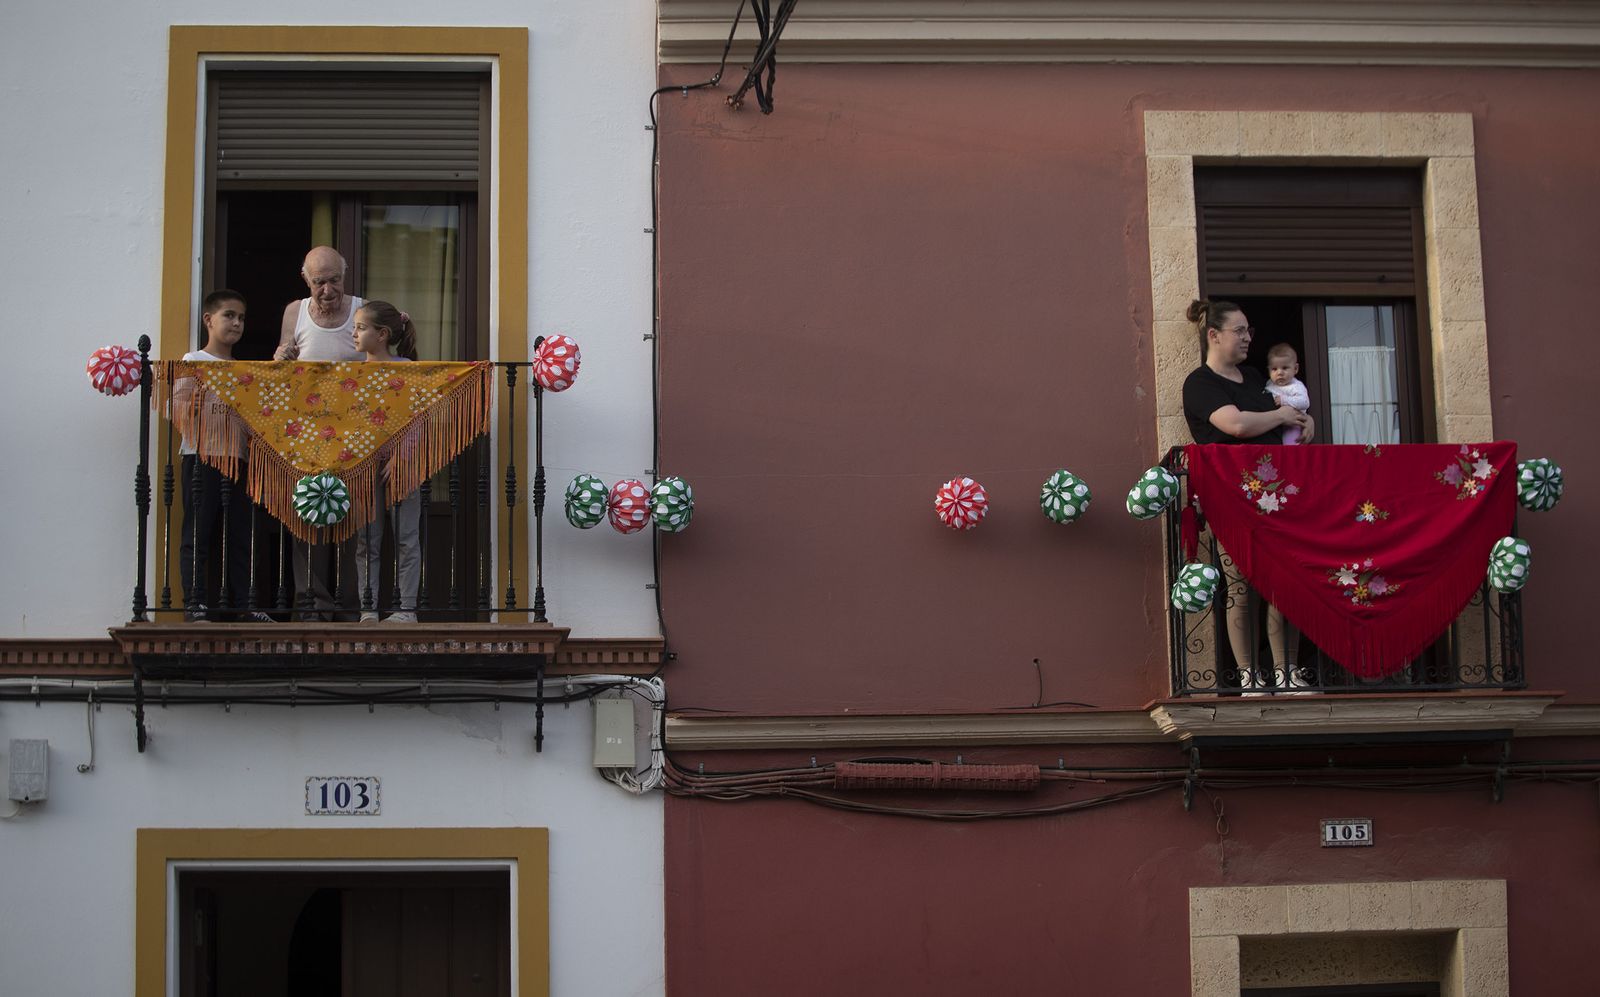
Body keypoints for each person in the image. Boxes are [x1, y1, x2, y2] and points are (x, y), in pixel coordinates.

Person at [1180, 299, 1313, 693]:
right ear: (1214, 335)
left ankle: (1287, 673)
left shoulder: (1256, 377)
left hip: (1280, 498)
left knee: (1284, 586)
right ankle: (1249, 677)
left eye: (1249, 330)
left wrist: (1306, 420)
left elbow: (1287, 407)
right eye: (1240, 330)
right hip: (1233, 498)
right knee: (1241, 586)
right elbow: (1234, 424)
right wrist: (1280, 418)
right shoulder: (1200, 383)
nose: (1248, 337)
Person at [278, 247, 363, 618]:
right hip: (307, 435)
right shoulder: (295, 312)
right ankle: (312, 604)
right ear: (305, 279)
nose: (328, 290)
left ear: (345, 276)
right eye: (319, 282)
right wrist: (281, 355)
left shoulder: (362, 309)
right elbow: (285, 355)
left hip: (355, 435)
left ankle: (349, 604)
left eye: (335, 280)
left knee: (352, 518)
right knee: (306, 516)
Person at [176, 290, 272, 622]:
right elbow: (178, 410)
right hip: (202, 457)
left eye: (241, 318)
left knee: (241, 534)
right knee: (198, 532)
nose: (236, 323)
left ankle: (243, 604)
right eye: (229, 315)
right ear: (208, 320)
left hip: (239, 459)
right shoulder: (193, 361)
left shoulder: (245, 370)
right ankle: (195, 602)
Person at [351, 300, 422, 624]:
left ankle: (406, 610)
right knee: (367, 539)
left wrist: (400, 455)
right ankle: (369, 608)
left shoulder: (406, 368)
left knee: (407, 538)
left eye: (360, 328)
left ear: (382, 334)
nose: (354, 333)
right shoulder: (352, 373)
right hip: (365, 467)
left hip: (403, 466)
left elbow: (416, 418)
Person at [1265, 343, 1311, 446]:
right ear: (1268, 370)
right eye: (1274, 369)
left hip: (1294, 423)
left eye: (1285, 368)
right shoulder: (1269, 384)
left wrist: (1284, 400)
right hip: (1275, 423)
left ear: (1295, 369)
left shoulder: (1296, 386)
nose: (1279, 372)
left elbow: (1304, 402)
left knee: (1290, 445)